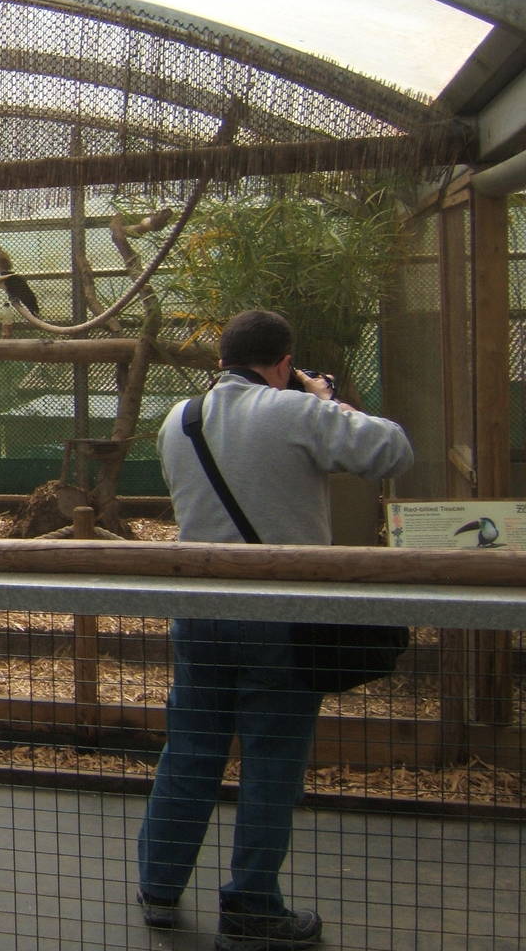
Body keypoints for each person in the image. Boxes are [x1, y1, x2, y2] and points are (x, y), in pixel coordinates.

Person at [135, 309, 413, 951]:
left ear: (221, 361)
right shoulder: (294, 410)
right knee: (272, 758)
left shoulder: (178, 420)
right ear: (283, 363)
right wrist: (323, 400)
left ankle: (159, 886)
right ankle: (253, 901)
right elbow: (391, 449)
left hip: (200, 610)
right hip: (278, 615)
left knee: (191, 749)